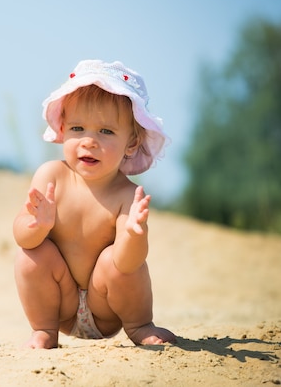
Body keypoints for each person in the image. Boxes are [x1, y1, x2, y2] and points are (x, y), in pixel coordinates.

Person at [13, 60, 177, 349]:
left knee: (115, 261)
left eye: (106, 132)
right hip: (59, 304)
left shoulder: (127, 195)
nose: (89, 141)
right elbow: (21, 236)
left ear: (131, 143)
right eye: (78, 128)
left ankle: (140, 325)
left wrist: (135, 235)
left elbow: (127, 263)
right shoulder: (51, 177)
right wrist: (37, 226)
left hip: (107, 308)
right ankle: (44, 330)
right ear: (63, 129)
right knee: (31, 255)